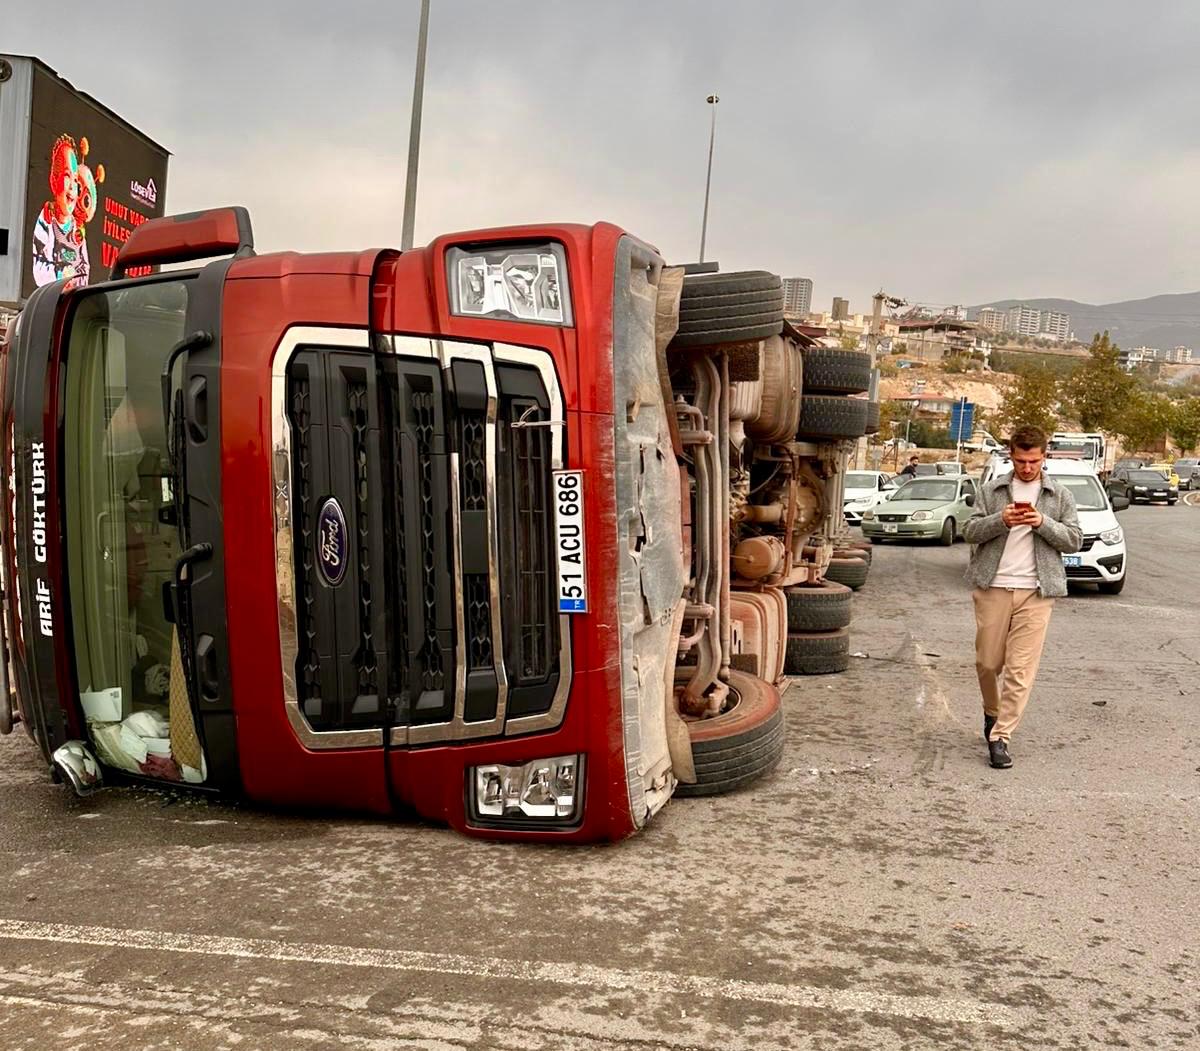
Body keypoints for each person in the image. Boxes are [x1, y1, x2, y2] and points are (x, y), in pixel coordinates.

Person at [961, 425, 1081, 769]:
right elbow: (970, 531)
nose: (1027, 467)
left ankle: (1001, 737)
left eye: (1033, 461)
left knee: (1020, 670)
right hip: (993, 587)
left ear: (1045, 457)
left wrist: (1042, 521)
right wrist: (1001, 520)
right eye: (1020, 460)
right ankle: (991, 712)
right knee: (987, 664)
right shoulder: (991, 491)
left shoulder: (1060, 496)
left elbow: (1073, 539)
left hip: (1037, 592)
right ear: (1010, 457)